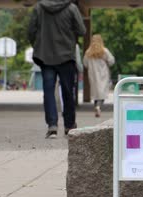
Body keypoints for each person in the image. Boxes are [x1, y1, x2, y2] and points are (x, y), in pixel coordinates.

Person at [28, 0, 86, 138]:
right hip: (66, 55)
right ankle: (69, 125)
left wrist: (38, 45)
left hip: (45, 56)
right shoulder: (71, 8)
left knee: (48, 91)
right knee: (67, 91)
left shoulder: (39, 7)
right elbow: (82, 30)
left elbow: (31, 30)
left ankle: (52, 125)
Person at [83, 34, 115, 117]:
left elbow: (85, 64)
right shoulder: (104, 51)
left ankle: (96, 107)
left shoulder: (88, 52)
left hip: (93, 75)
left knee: (96, 93)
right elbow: (111, 61)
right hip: (103, 74)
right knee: (102, 93)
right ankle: (98, 106)